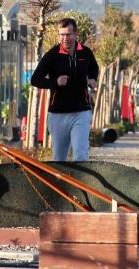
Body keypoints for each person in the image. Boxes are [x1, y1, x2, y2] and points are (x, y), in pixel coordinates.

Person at [30, 17, 99, 161]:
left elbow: (94, 68)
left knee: (80, 155)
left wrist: (92, 78)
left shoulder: (85, 53)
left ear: (75, 34)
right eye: (61, 34)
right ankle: (60, 183)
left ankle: (78, 183)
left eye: (68, 34)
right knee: (59, 159)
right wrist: (55, 82)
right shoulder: (52, 55)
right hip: (58, 114)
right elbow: (35, 79)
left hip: (81, 112)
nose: (65, 38)